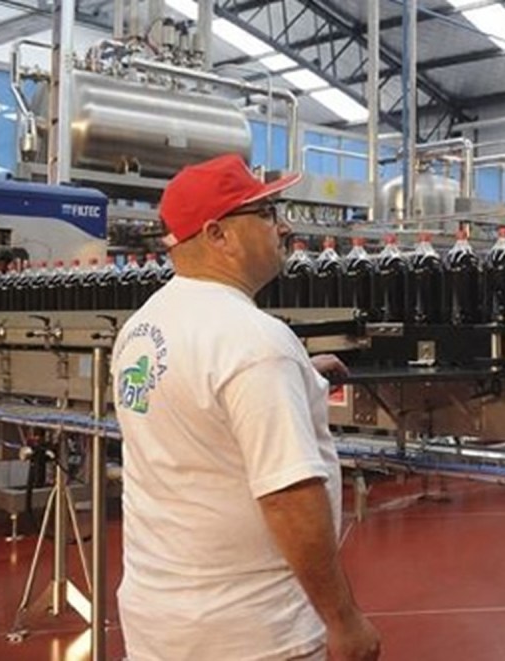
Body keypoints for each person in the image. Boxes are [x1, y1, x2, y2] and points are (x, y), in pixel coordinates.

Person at [111, 154, 381, 661]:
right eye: (266, 213)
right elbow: (288, 497)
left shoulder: (143, 327)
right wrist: (343, 621)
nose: (284, 226)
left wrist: (295, 375)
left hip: (160, 622)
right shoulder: (254, 342)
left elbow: (199, 405)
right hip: (251, 634)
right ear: (218, 234)